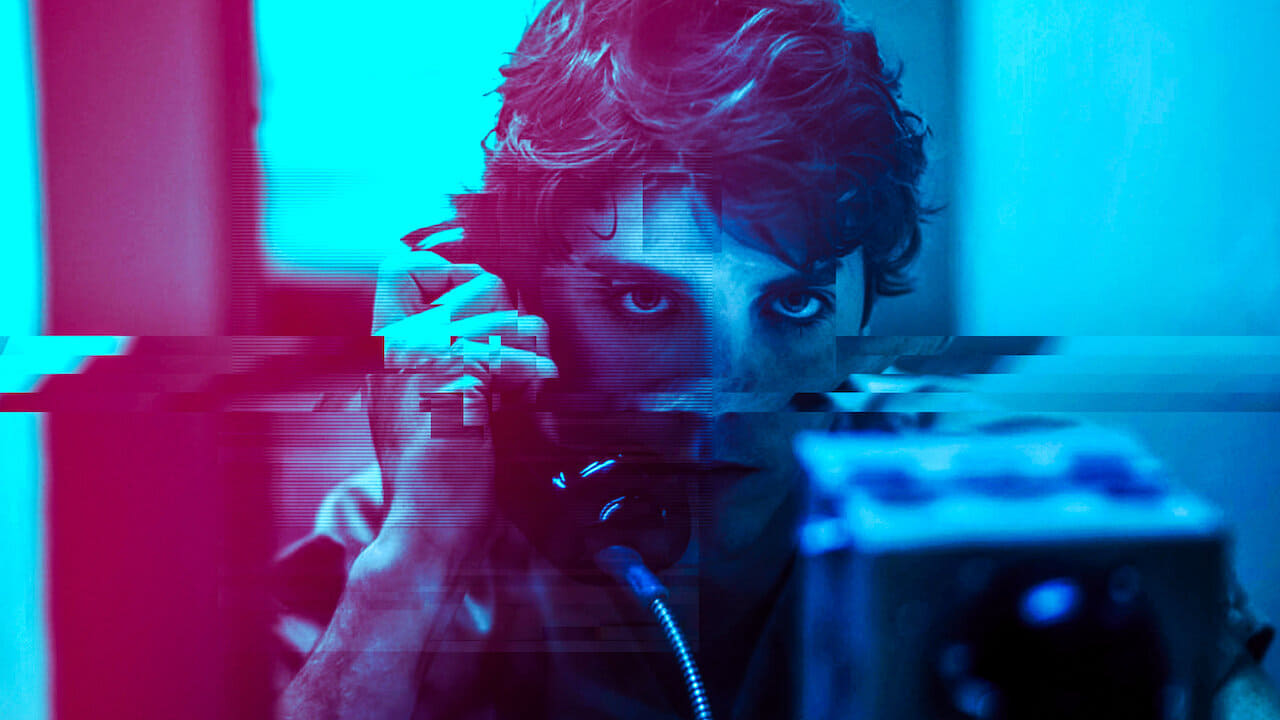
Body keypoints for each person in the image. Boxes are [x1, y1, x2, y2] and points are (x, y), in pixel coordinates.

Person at [276, 1, 1279, 717]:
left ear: (863, 299)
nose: (729, 394)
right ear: (528, 295)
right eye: (643, 301)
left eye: (793, 303)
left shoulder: (1014, 506)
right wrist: (420, 554)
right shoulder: (407, 526)